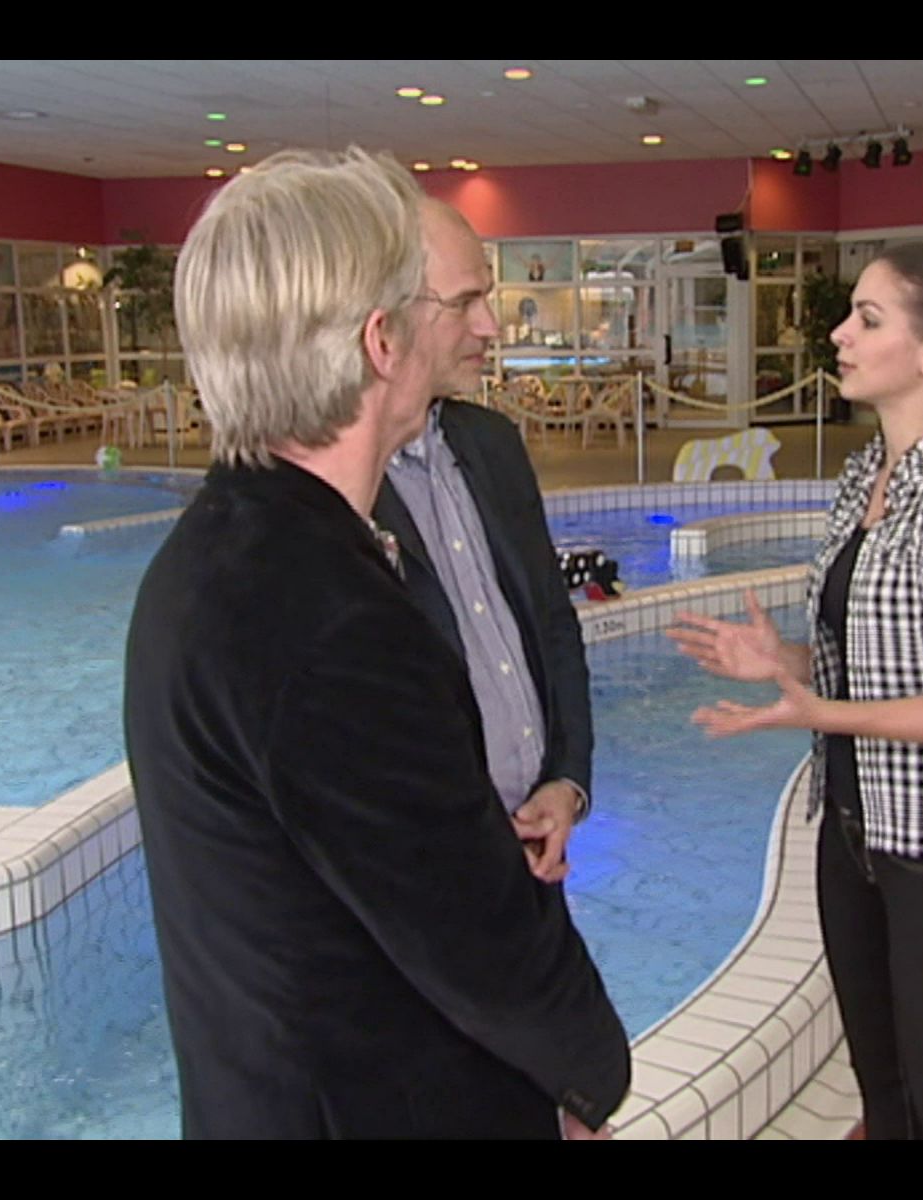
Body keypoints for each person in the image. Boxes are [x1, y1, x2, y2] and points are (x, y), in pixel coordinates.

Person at [123, 147, 630, 1140]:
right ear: (381, 341)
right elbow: (467, 931)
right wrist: (587, 1077)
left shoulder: (216, 557)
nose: (473, 327)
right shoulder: (325, 614)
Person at [665, 242, 923, 1140]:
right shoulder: (864, 476)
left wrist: (822, 714)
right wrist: (787, 661)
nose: (838, 334)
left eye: (867, 320)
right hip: (853, 834)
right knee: (885, 1099)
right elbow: (878, 658)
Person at [374, 199, 593, 884]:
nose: (491, 327)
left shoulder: (491, 444)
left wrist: (566, 781)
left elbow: (552, 622)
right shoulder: (337, 494)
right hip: (429, 867)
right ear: (388, 318)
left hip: (536, 843)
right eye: (466, 302)